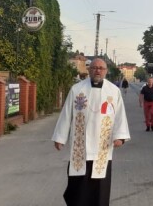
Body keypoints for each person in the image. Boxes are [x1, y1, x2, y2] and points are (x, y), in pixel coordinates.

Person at [52, 58, 130, 206]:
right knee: (77, 188)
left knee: (99, 189)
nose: (98, 70)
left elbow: (120, 115)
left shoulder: (114, 91)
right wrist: (60, 137)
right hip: (80, 148)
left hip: (102, 147)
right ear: (89, 70)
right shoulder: (77, 89)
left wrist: (120, 137)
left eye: (101, 68)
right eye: (94, 68)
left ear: (106, 71)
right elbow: (66, 113)